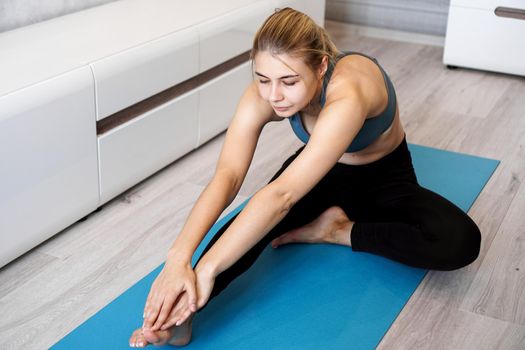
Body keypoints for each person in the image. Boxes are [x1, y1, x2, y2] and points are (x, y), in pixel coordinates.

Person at [129, 7, 481, 348]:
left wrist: (204, 269)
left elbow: (281, 196)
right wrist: (179, 258)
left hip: (386, 177)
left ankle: (337, 230)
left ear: (321, 66)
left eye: (289, 81)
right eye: (263, 78)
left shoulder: (349, 89)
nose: (274, 95)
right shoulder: (265, 93)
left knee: (459, 240)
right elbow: (228, 175)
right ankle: (180, 318)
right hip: (320, 174)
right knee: (253, 224)